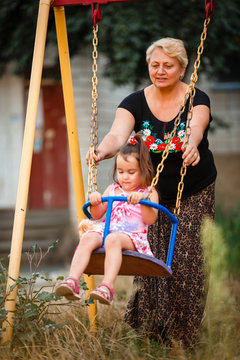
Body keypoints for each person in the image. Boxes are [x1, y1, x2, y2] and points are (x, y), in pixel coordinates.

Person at [86, 38, 217, 347]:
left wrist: (192, 143)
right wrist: (102, 150)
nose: (160, 71)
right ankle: (149, 335)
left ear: (183, 68)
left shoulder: (197, 97)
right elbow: (118, 133)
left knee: (187, 264)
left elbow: (198, 124)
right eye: (154, 65)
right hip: (147, 195)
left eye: (168, 66)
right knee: (150, 261)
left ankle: (184, 341)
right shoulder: (134, 101)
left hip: (194, 190)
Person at [55, 133, 159, 305]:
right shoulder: (112, 189)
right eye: (120, 171)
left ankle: (106, 287)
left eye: (131, 172)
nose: (124, 176)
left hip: (132, 235)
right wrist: (95, 200)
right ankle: (72, 280)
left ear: (144, 170)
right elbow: (97, 215)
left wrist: (143, 202)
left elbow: (150, 220)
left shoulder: (148, 192)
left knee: (112, 239)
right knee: (88, 237)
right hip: (107, 230)